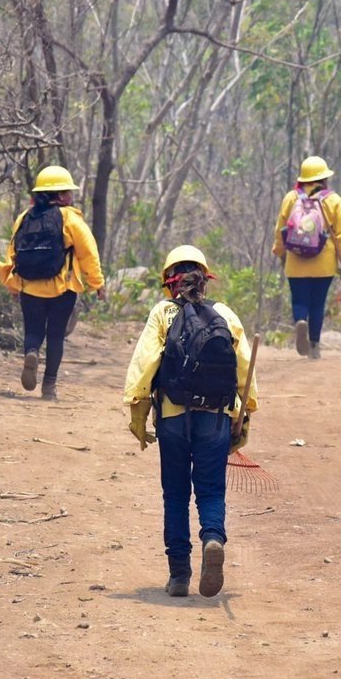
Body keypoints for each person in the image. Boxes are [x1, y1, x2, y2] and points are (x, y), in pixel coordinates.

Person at [123, 245, 258, 598]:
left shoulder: (162, 314)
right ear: (205, 279)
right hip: (215, 417)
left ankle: (179, 575)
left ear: (169, 283)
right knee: (211, 490)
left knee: (176, 495)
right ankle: (212, 539)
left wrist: (138, 416)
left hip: (172, 417)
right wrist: (243, 416)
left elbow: (143, 368)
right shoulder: (225, 314)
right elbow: (245, 372)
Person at [0, 165, 105, 400]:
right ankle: (49, 387)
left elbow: (12, 253)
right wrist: (97, 284)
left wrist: (13, 285)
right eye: (69, 191)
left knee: (33, 332)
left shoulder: (25, 217)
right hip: (62, 289)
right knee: (55, 336)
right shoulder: (70, 218)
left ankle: (32, 352)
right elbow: (88, 253)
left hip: (30, 288)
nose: (72, 196)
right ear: (62, 195)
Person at [272, 155, 341, 359]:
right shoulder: (332, 199)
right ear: (323, 178)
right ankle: (315, 347)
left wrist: (281, 253)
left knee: (299, 300)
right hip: (323, 262)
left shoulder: (291, 198)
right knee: (318, 303)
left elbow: (280, 229)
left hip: (295, 260)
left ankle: (300, 320)